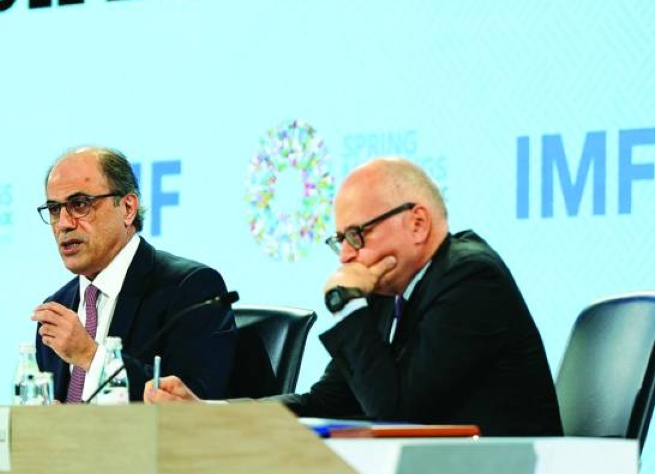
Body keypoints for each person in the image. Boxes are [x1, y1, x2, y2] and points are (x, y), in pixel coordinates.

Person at [146, 157, 562, 437]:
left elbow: (398, 416)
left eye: (357, 235)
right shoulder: (386, 289)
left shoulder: (469, 278)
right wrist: (212, 414)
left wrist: (346, 306)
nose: (346, 255)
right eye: (340, 239)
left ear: (418, 223)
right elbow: (328, 401)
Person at [32, 146, 235, 402]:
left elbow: (192, 405)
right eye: (54, 209)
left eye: (80, 205)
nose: (63, 224)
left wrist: (91, 356)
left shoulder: (190, 289)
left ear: (128, 208)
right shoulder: (58, 309)